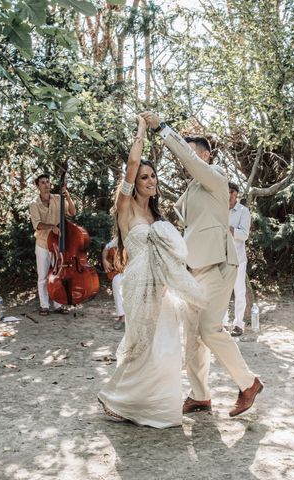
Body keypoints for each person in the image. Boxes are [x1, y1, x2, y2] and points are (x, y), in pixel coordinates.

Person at [141, 111, 264, 418]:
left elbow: (190, 162)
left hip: (220, 265)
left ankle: (248, 384)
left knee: (209, 329)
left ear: (206, 156)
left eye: (193, 151)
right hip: (194, 269)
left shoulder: (215, 178)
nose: (189, 157)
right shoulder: (192, 190)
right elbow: (186, 227)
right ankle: (200, 396)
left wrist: (164, 130)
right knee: (193, 333)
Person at [97, 116, 206, 428]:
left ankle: (151, 403)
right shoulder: (126, 207)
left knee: (166, 347)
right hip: (137, 282)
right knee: (142, 344)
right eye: (143, 176)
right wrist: (144, 131)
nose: (149, 180)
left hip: (161, 286)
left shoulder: (157, 213)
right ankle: (116, 399)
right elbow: (132, 162)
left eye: (152, 175)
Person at [29, 174, 76, 315]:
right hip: (43, 243)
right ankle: (44, 305)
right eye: (42, 183)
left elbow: (72, 212)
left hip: (57, 244)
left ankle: (58, 305)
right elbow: (37, 225)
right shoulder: (34, 204)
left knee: (58, 275)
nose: (46, 185)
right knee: (43, 277)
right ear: (38, 186)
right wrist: (52, 227)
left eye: (48, 182)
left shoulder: (58, 199)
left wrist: (66, 195)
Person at [222, 182, 251, 337]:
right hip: (221, 257)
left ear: (234, 194)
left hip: (238, 258)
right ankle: (224, 322)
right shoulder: (219, 209)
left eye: (227, 192)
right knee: (223, 292)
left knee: (239, 291)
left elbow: (245, 234)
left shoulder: (243, 211)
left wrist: (230, 229)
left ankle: (239, 324)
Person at [101, 237, 125, 330]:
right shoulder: (118, 239)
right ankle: (122, 318)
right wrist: (104, 260)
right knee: (116, 280)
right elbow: (106, 248)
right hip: (121, 272)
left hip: (136, 272)